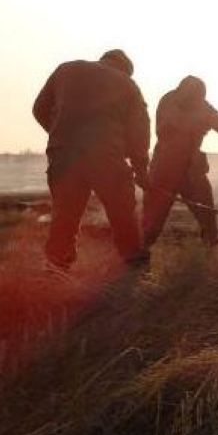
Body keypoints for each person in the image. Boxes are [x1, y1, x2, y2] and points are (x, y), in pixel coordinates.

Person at [31, 49, 150, 271]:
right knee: (122, 211)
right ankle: (134, 269)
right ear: (126, 69)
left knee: (64, 217)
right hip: (105, 157)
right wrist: (141, 169)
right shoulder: (127, 84)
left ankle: (57, 270)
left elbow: (39, 109)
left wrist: (60, 135)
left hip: (63, 156)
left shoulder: (66, 68)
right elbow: (139, 132)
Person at [141, 76, 218, 247]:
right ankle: (137, 259)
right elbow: (168, 128)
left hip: (191, 171)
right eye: (195, 95)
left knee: (208, 220)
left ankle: (210, 255)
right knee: (151, 223)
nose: (196, 99)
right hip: (166, 169)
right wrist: (202, 121)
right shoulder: (169, 101)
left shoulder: (202, 106)